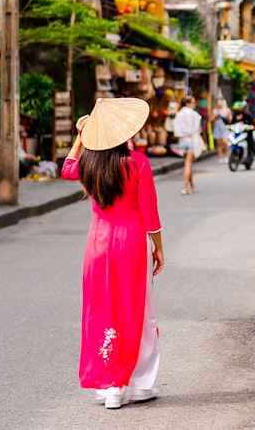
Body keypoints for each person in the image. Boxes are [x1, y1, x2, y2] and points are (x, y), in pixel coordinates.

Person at [60, 97, 164, 410]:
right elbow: (150, 213)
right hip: (131, 243)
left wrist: (81, 136)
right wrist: (158, 247)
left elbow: (66, 167)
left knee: (102, 309)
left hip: (98, 244)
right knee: (134, 310)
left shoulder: (89, 164)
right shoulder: (138, 162)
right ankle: (128, 382)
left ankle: (111, 384)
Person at [172, 95, 203, 195]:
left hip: (182, 141)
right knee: (188, 164)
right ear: (187, 104)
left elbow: (176, 130)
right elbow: (199, 129)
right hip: (191, 140)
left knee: (188, 163)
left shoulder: (179, 114)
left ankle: (192, 184)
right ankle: (185, 187)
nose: (195, 104)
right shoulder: (194, 114)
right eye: (193, 103)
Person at [231, 101, 255, 167]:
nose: (238, 111)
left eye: (239, 109)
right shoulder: (235, 117)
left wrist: (251, 127)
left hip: (248, 134)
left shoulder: (247, 115)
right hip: (239, 134)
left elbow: (253, 124)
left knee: (252, 148)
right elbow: (232, 124)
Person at [210, 97, 231, 163]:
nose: (219, 103)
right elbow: (211, 120)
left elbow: (230, 119)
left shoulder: (227, 110)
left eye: (220, 102)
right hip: (217, 128)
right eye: (217, 102)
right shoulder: (215, 111)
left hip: (224, 128)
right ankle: (220, 157)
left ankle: (226, 156)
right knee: (219, 144)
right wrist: (215, 116)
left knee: (225, 142)